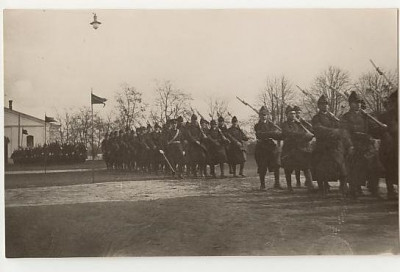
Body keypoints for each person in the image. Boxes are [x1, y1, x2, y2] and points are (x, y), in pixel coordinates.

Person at [340, 91, 383, 198]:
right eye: (355, 102)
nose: (358, 104)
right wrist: (350, 145)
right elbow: (345, 133)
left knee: (375, 165)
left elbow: (373, 129)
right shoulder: (345, 117)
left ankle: (374, 188)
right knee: (355, 166)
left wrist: (380, 129)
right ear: (350, 104)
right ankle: (354, 189)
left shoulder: (366, 116)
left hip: (367, 145)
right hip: (353, 144)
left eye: (359, 102)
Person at [312, 94, 351, 196]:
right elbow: (318, 129)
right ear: (319, 106)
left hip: (335, 146)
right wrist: (334, 131)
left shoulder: (333, 117)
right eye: (322, 104)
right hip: (323, 145)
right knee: (320, 167)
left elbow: (341, 129)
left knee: (342, 165)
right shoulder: (316, 118)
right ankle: (322, 188)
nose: (325, 106)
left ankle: (343, 186)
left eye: (326, 104)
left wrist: (339, 125)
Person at [281, 106, 314, 192]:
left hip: (300, 149)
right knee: (288, 168)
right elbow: (288, 133)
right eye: (290, 114)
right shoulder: (285, 124)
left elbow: (308, 131)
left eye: (294, 113)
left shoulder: (299, 124)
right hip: (289, 149)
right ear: (286, 115)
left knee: (306, 166)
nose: (293, 115)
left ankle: (310, 186)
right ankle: (289, 186)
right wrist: (301, 135)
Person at [254, 106, 283, 190]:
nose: (263, 116)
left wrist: (272, 134)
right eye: (262, 115)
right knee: (262, 166)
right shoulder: (257, 125)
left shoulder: (272, 124)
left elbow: (278, 135)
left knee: (276, 165)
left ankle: (277, 183)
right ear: (259, 116)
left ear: (267, 115)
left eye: (265, 115)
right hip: (261, 148)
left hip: (271, 148)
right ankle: (262, 185)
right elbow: (260, 134)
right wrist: (272, 133)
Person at [378, 90, 398, 198]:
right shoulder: (385, 116)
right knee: (390, 168)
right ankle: (390, 190)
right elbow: (379, 131)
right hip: (390, 147)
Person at [293, 105, 313, 187]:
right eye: (296, 113)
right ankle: (298, 182)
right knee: (297, 166)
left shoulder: (303, 121)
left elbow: (310, 129)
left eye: (299, 113)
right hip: (297, 144)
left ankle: (308, 181)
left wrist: (304, 123)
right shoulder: (293, 122)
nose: (298, 115)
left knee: (307, 164)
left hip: (306, 144)